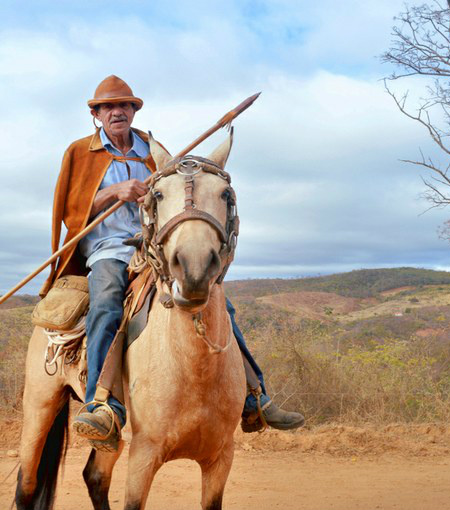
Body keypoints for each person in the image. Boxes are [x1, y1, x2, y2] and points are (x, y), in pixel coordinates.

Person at [40, 75, 304, 448]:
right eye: (108, 107)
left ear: (133, 111)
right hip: (108, 249)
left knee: (219, 303)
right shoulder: (80, 152)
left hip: (151, 248)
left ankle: (254, 395)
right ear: (97, 115)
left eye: (124, 105)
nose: (117, 111)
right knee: (106, 302)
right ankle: (102, 405)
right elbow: (69, 212)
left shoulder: (153, 153)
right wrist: (115, 192)